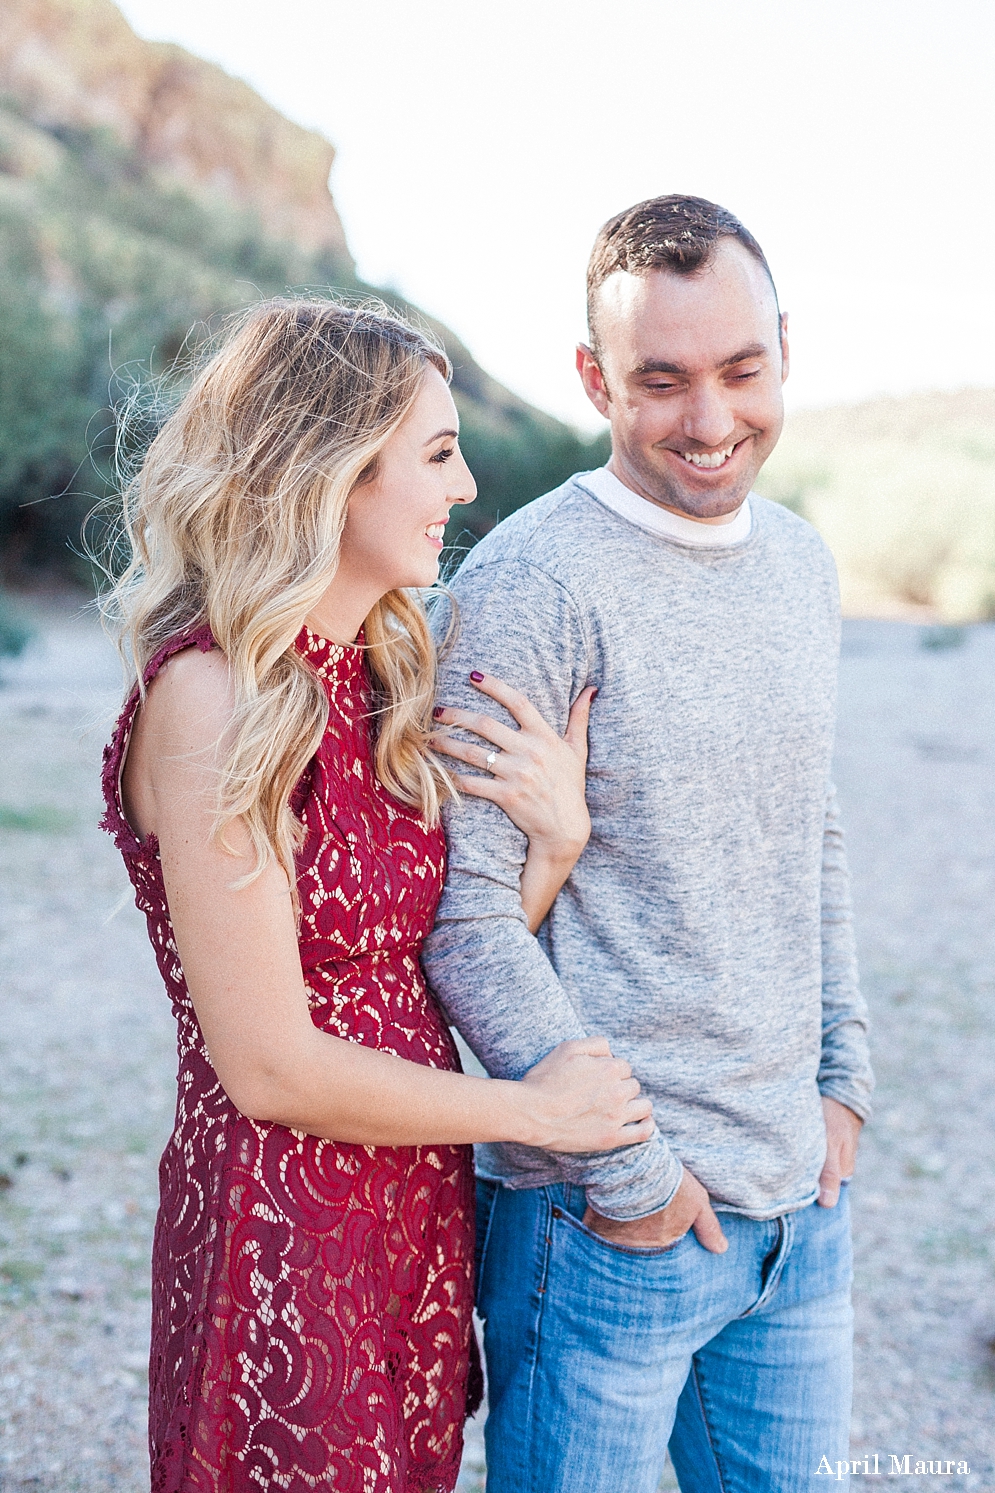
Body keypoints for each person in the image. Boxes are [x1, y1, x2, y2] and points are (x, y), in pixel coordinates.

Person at [98, 299, 654, 1493]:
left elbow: (406, 958)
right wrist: (537, 1113)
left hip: (410, 1198)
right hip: (283, 1220)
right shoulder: (213, 698)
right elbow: (269, 1064)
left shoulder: (372, 676)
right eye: (437, 453)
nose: (462, 487)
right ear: (331, 467)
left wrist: (553, 841)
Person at [422, 195, 875, 1492]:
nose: (711, 422)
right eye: (661, 382)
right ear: (592, 378)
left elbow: (810, 826)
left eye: (740, 371)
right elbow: (465, 919)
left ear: (783, 347)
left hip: (797, 1203)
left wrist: (841, 1077)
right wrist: (625, 1172)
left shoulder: (800, 564)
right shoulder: (529, 586)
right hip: (603, 1224)